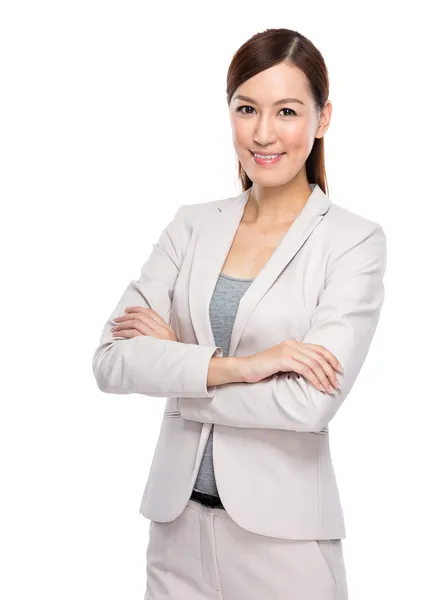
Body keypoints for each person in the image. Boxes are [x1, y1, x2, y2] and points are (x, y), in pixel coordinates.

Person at [92, 27, 387, 600]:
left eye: (287, 111)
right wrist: (245, 366)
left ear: (323, 119)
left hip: (285, 544)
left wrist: (177, 367)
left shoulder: (352, 242)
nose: (263, 132)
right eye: (246, 108)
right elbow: (110, 361)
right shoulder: (191, 225)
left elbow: (308, 403)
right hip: (175, 533)